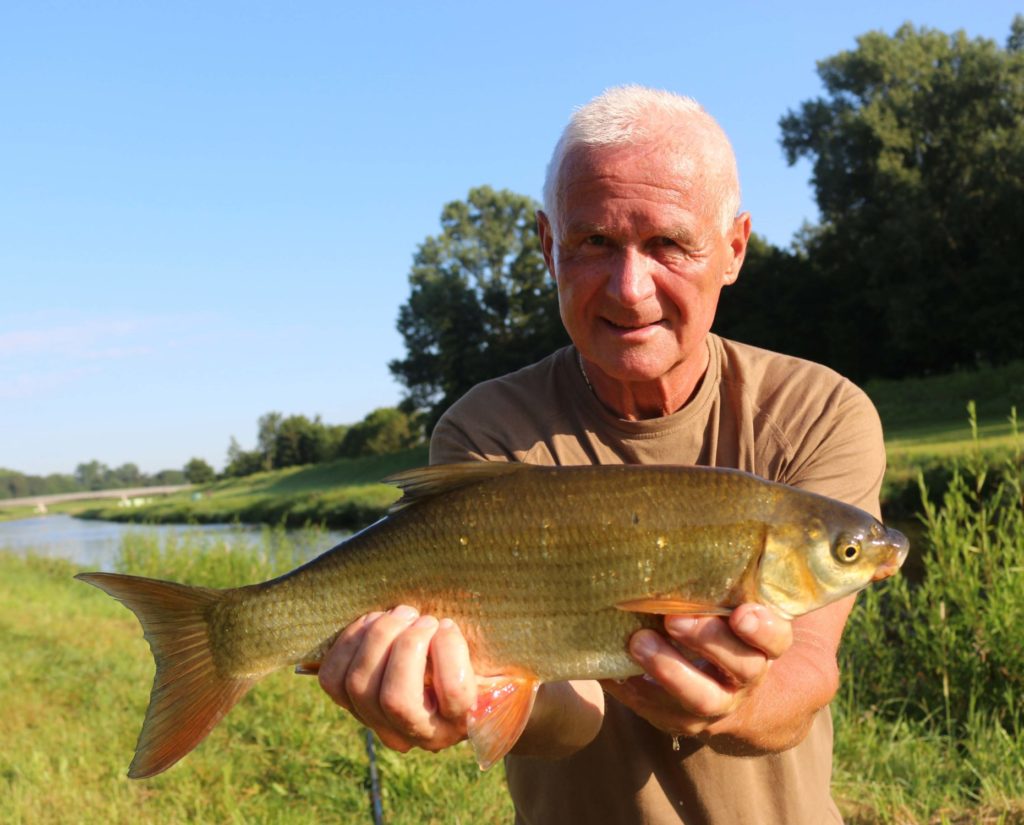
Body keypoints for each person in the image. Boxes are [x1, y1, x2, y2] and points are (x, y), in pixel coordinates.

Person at [317, 86, 886, 824]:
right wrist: (454, 699)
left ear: (734, 248)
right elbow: (566, 709)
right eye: (594, 243)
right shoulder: (489, 427)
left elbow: (806, 674)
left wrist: (736, 701)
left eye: (669, 244)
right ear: (550, 247)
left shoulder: (819, 411)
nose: (630, 287)